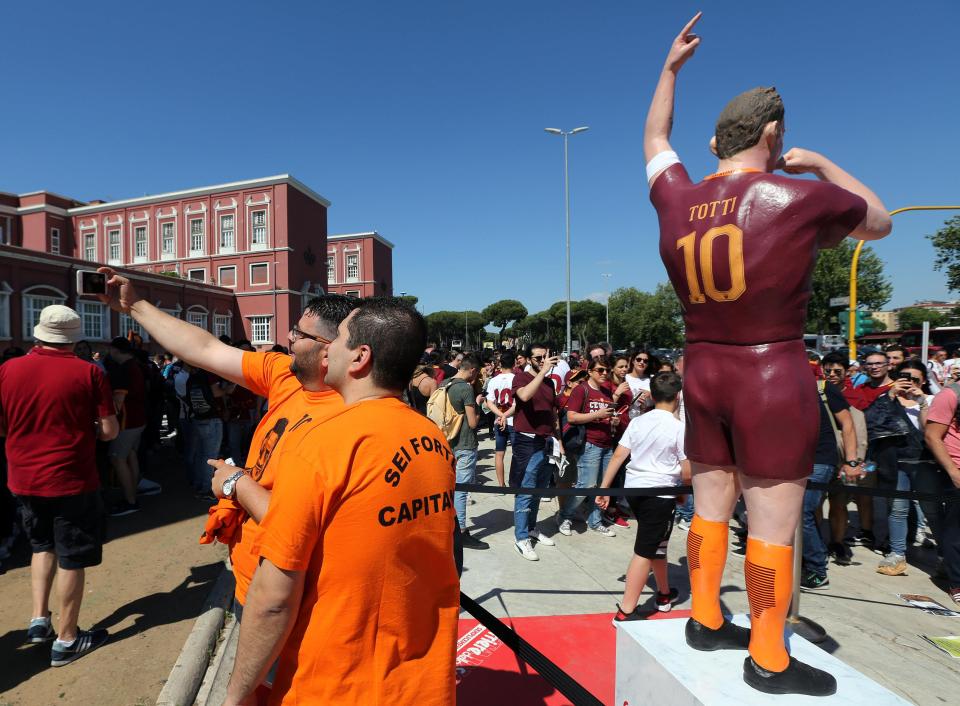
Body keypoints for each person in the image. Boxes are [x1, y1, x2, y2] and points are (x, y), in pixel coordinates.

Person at [644, 13, 892, 695]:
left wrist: (670, 69)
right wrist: (817, 163)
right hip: (770, 370)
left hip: (702, 368)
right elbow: (880, 220)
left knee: (710, 505)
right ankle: (769, 656)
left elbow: (657, 138)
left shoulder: (678, 200)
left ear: (717, 141)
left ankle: (702, 614)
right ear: (772, 135)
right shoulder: (797, 197)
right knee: (775, 523)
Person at [224, 299, 458, 706]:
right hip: (421, 678)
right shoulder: (432, 439)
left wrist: (235, 696)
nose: (327, 348)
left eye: (340, 340)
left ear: (360, 357)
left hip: (336, 682)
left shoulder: (322, 445)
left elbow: (274, 599)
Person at [97, 266, 358, 617]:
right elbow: (204, 348)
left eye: (298, 333)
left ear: (329, 350)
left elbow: (304, 523)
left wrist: (236, 483)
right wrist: (136, 306)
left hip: (292, 600)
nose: (288, 338)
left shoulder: (353, 415)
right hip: (251, 580)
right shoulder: (284, 373)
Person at [0, 305, 118, 666]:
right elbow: (110, 430)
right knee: (72, 557)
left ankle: (39, 619)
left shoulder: (7, 369)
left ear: (38, 333)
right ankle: (67, 639)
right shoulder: (88, 373)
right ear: (73, 338)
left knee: (41, 545)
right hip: (71, 478)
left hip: (22, 476)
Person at [597, 372, 689, 619]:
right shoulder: (678, 427)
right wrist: (684, 492)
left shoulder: (639, 422)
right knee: (645, 550)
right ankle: (626, 610)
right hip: (659, 495)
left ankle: (664, 593)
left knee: (657, 542)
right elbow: (687, 469)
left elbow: (619, 455)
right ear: (677, 396)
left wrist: (605, 488)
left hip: (634, 490)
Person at [799, 368, 861, 590]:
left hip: (821, 459)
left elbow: (848, 424)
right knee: (801, 512)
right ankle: (808, 561)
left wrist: (852, 461)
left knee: (803, 511)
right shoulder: (779, 388)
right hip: (793, 462)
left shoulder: (823, 388)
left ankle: (817, 570)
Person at [876, 360, 934, 576]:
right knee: (898, 509)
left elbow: (930, 433)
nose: (909, 383)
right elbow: (877, 424)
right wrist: (891, 397)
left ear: (924, 381)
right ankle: (897, 553)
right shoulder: (887, 399)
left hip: (926, 463)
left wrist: (921, 403)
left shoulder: (931, 400)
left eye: (915, 379)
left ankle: (944, 557)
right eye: (905, 378)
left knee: (932, 510)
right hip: (898, 463)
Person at [510, 344, 562, 561]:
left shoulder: (549, 383)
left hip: (546, 441)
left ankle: (532, 528)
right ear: (529, 359)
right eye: (539, 357)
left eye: (546, 356)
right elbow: (523, 397)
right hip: (527, 442)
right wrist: (542, 372)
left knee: (539, 490)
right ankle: (521, 537)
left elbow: (553, 413)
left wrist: (559, 441)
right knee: (526, 491)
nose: (543, 360)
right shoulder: (521, 378)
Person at [557, 357, 618, 538]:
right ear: (590, 371)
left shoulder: (607, 391)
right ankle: (564, 516)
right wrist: (597, 414)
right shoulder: (581, 390)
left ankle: (596, 521)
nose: (604, 374)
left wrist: (611, 420)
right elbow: (572, 417)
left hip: (607, 443)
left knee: (601, 487)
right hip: (589, 444)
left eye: (607, 370)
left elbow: (605, 417)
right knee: (586, 485)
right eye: (600, 370)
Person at [445, 353, 489, 549]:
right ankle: (461, 530)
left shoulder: (444, 383)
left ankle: (448, 526)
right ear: (472, 370)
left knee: (448, 488)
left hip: (446, 442)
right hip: (464, 444)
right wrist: (478, 403)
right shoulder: (466, 389)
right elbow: (472, 423)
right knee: (461, 490)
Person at [923, 381, 960, 605]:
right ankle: (957, 582)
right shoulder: (950, 395)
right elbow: (932, 436)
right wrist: (954, 473)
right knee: (956, 532)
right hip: (956, 471)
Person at [103, 337, 149, 516]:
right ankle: (133, 493)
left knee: (117, 458)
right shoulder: (135, 366)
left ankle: (131, 501)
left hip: (127, 422)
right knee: (130, 455)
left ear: (115, 350)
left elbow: (118, 402)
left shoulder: (123, 370)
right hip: (138, 420)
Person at [486, 352, 517, 487]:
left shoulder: (493, 380)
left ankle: (501, 484)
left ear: (500, 364)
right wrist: (506, 415)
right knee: (516, 454)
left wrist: (500, 414)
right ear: (514, 363)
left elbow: (489, 402)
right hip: (514, 420)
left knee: (499, 453)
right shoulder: (517, 379)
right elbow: (518, 403)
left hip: (499, 420)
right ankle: (514, 482)